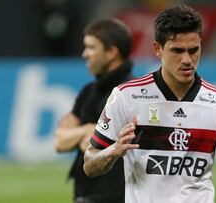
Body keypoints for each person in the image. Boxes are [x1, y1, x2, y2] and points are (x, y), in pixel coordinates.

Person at [83, 5, 216, 203]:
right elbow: (89, 164)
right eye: (177, 51)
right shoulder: (126, 96)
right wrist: (113, 151)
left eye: (193, 50)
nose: (187, 59)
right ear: (158, 49)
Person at [54, 18, 134, 203]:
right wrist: (86, 130)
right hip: (84, 193)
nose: (84, 54)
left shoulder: (130, 93)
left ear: (111, 52)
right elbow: (60, 141)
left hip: (116, 195)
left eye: (91, 47)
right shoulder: (88, 91)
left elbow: (100, 143)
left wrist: (86, 135)